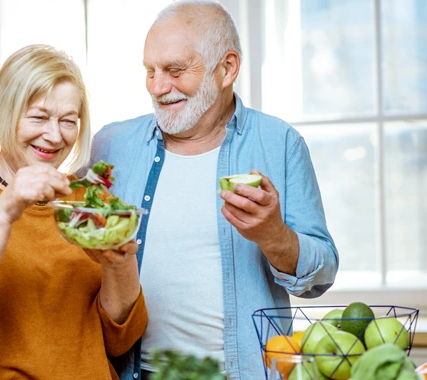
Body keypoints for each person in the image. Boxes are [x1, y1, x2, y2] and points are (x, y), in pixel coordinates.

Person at [87, 1, 339, 379]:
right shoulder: (112, 144)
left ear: (227, 68)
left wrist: (274, 236)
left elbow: (321, 275)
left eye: (174, 70)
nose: (158, 87)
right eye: (150, 71)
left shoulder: (279, 142)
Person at [0, 44, 147, 380]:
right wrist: (5, 211)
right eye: (38, 117)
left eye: (68, 121)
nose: (54, 136)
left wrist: (120, 263)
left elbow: (119, 340)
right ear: (3, 112)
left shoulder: (87, 199)